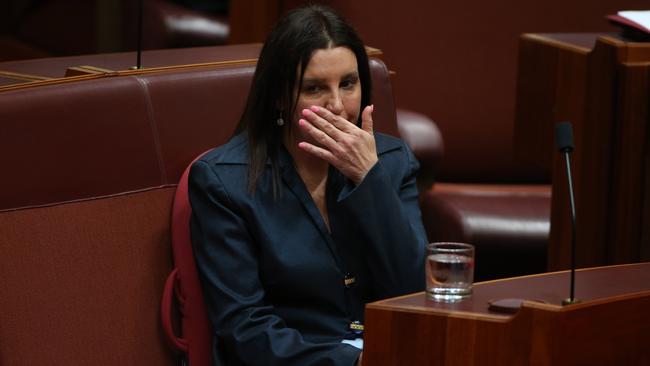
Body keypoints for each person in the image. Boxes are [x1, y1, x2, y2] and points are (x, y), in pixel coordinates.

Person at [189, 4, 427, 365]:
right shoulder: (224, 181)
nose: (337, 106)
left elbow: (414, 294)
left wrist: (369, 179)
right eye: (315, 89)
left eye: (348, 84)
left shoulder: (391, 162)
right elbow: (245, 328)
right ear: (280, 97)